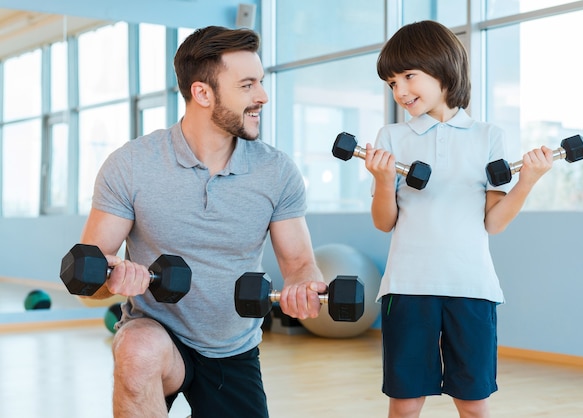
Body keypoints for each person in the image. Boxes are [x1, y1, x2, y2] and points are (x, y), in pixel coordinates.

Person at [79, 26, 326, 418]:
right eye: (247, 85)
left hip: (232, 344)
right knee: (136, 350)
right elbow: (88, 279)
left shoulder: (276, 171)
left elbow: (298, 264)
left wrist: (302, 286)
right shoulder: (131, 165)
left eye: (260, 82)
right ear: (202, 93)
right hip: (157, 331)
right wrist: (113, 279)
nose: (262, 96)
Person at [364, 21, 554, 418]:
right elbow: (384, 222)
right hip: (408, 285)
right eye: (391, 83)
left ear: (443, 68)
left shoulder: (488, 136)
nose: (399, 91)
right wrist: (383, 181)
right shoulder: (392, 137)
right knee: (405, 401)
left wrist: (528, 180)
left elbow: (494, 223)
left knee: (473, 403)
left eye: (408, 77)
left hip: (472, 285)